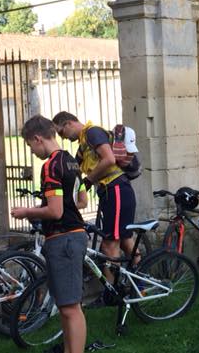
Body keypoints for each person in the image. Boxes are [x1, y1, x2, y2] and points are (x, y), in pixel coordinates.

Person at [12, 115, 89, 353]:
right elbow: (82, 200)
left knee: (71, 308)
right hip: (73, 235)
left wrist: (27, 212)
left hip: (63, 238)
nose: (32, 151)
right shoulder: (71, 161)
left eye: (29, 145)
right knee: (66, 304)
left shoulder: (50, 166)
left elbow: (55, 211)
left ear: (37, 138)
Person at [54, 111, 138, 279]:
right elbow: (73, 170)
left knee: (108, 246)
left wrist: (89, 180)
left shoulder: (93, 133)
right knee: (125, 240)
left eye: (61, 132)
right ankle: (142, 282)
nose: (63, 138)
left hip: (116, 190)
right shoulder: (83, 144)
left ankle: (112, 290)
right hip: (112, 192)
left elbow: (109, 159)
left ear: (69, 123)